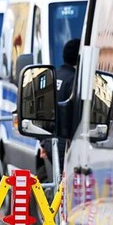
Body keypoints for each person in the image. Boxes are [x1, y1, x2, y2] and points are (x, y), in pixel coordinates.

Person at [39, 38, 80, 180]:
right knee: (66, 184)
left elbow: (41, 110)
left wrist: (43, 142)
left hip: (50, 139)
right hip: (65, 142)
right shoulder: (74, 80)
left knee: (58, 183)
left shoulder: (53, 75)